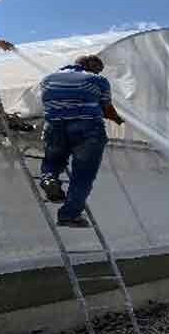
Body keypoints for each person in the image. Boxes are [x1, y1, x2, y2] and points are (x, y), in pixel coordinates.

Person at [39, 55, 124, 228]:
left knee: (53, 161)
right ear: (90, 65)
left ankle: (49, 179)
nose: (99, 72)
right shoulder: (97, 80)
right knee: (83, 176)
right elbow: (106, 109)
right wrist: (119, 120)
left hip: (54, 126)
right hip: (87, 129)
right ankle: (69, 216)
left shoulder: (47, 79)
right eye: (98, 68)